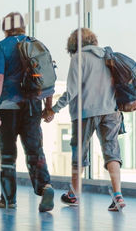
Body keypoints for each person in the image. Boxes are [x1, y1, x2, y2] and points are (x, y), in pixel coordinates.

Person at [42, 28, 125, 211]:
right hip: (111, 112)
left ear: (73, 44)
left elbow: (72, 91)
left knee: (78, 152)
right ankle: (118, 195)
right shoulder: (106, 55)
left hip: (85, 113)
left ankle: (73, 194)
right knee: (111, 152)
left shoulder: (79, 58)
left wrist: (53, 110)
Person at [0, 12, 54, 212]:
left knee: (8, 153)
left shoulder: (2, 46)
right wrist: (48, 106)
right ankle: (45, 187)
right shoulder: (36, 44)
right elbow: (47, 78)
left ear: (5, 27)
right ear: (23, 26)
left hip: (8, 107)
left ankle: (8, 199)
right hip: (33, 106)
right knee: (35, 150)